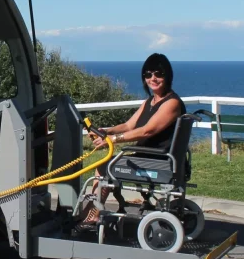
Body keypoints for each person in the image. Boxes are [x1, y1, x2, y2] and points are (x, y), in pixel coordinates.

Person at [79, 53, 185, 227]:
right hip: (149, 157)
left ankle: (92, 214)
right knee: (106, 165)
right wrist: (106, 131)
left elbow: (146, 131)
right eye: (148, 74)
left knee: (105, 167)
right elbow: (129, 126)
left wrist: (112, 139)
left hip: (157, 161)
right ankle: (90, 211)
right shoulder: (151, 101)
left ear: (167, 76)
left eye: (159, 74)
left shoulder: (171, 103)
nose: (153, 78)